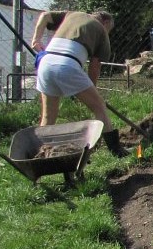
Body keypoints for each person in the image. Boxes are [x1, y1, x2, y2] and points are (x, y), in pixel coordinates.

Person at [31, 9, 128, 157]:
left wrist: (36, 40)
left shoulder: (72, 14)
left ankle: (39, 154)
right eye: (110, 29)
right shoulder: (101, 30)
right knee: (99, 107)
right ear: (106, 22)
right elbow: (94, 67)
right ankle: (116, 151)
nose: (108, 32)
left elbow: (44, 15)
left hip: (45, 63)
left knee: (48, 117)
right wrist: (92, 90)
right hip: (67, 64)